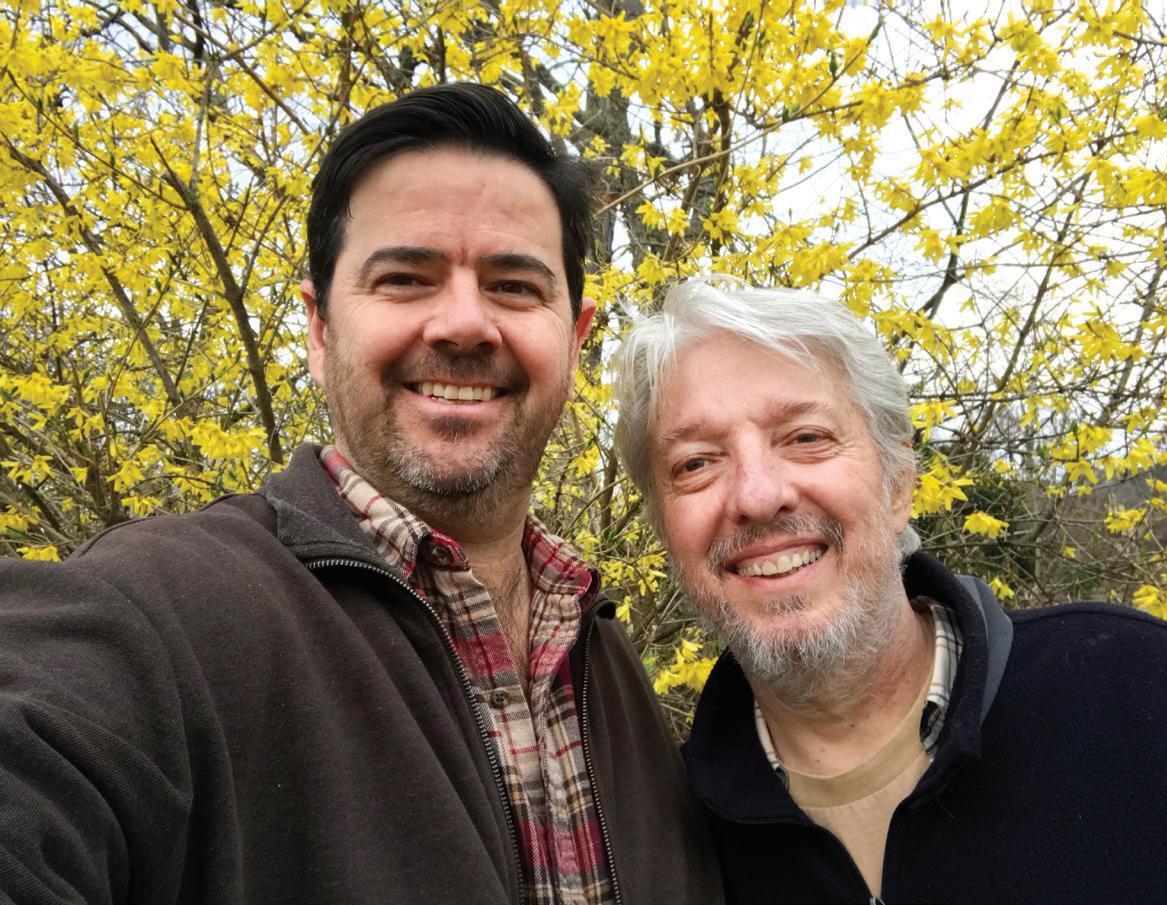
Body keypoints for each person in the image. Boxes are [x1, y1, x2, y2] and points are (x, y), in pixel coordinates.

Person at [0, 84, 720, 904]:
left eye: (515, 286)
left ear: (575, 335)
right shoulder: (158, 614)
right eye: (405, 278)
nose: (463, 324)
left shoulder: (608, 666)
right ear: (318, 328)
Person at [612, 278, 1167, 904]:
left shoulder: (1148, 695)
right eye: (696, 463)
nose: (758, 496)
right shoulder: (658, 848)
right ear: (664, 529)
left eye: (806, 437)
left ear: (898, 484)